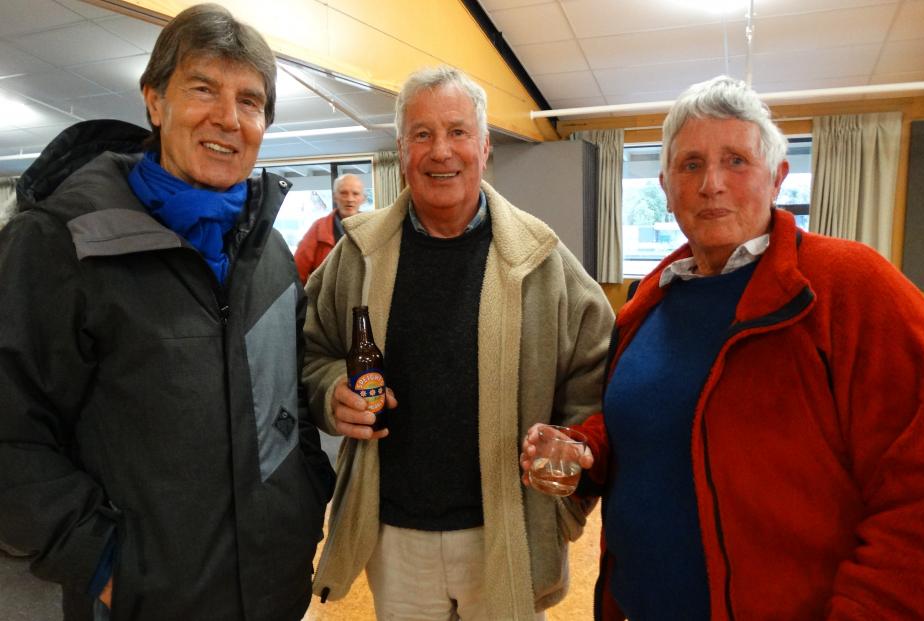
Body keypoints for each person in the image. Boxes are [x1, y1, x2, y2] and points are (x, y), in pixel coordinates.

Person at [521, 75, 924, 620]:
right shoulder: (649, 300)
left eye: (737, 161)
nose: (712, 184)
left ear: (778, 177)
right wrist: (587, 449)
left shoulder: (854, 288)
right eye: (691, 164)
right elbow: (648, 427)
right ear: (666, 184)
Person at [0, 4, 336, 620]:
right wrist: (102, 566)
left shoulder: (270, 254)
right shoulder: (61, 244)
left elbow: (287, 403)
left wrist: (305, 500)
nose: (227, 118)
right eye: (202, 88)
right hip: (142, 601)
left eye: (250, 100)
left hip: (272, 589)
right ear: (155, 102)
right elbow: (11, 434)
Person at [301, 65, 614, 619]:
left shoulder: (544, 261)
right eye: (422, 134)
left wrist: (569, 480)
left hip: (508, 531)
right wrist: (332, 393)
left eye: (457, 132)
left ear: (485, 146)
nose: (440, 150)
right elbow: (311, 352)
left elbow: (596, 378)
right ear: (401, 151)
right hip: (394, 536)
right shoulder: (355, 255)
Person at [294, 173, 366, 283]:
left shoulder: (372, 227)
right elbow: (298, 273)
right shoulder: (318, 228)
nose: (350, 199)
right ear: (335, 197)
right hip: (326, 297)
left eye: (355, 194)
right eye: (343, 193)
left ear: (362, 198)